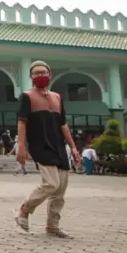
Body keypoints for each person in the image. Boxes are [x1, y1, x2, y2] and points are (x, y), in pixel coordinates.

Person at [15, 60, 80, 238]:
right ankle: (24, 209)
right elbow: (22, 122)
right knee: (51, 183)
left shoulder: (57, 97)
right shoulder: (26, 96)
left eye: (44, 72)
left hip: (59, 146)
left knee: (60, 190)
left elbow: (63, 124)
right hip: (40, 145)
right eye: (36, 73)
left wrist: (73, 147)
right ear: (31, 77)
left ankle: (52, 226)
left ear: (50, 75)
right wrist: (21, 146)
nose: (41, 75)